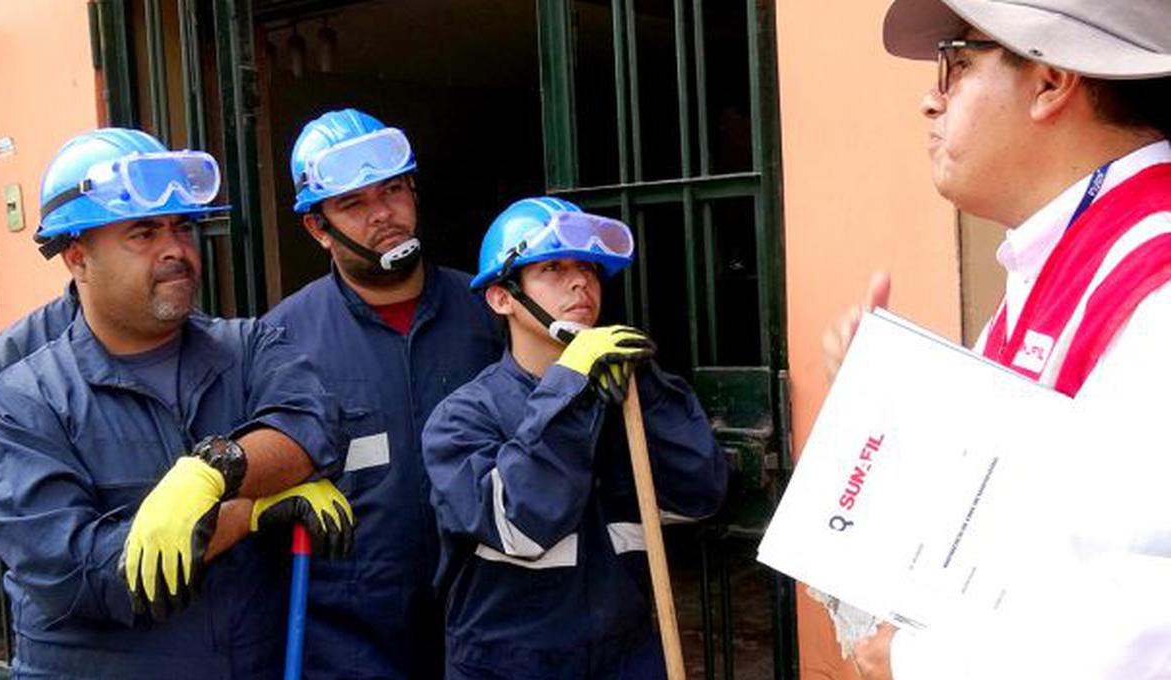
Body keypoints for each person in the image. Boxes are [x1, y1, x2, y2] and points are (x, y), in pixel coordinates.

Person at [817, 1, 1171, 678]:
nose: (931, 100)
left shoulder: (1151, 278)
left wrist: (920, 659)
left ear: (1049, 80)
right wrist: (885, 411)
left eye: (956, 62)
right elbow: (1030, 519)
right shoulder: (1066, 260)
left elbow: (1149, 613)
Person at [0, 127, 354, 679]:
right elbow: (86, 573)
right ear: (76, 255)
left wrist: (217, 467)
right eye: (144, 233)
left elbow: (311, 427)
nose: (175, 249)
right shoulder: (19, 399)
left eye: (182, 227)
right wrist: (249, 512)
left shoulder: (248, 347)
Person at [421, 196, 729, 680]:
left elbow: (700, 494)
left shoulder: (626, 396)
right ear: (502, 297)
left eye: (587, 267)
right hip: (506, 666)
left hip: (626, 656)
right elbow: (521, 526)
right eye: (552, 267)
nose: (580, 281)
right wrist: (569, 387)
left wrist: (646, 388)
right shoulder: (460, 419)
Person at [261, 108, 503, 679]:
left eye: (392, 190)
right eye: (353, 203)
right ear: (316, 228)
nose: (383, 215)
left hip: (482, 618)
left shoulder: (487, 313)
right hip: (347, 641)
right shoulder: (282, 340)